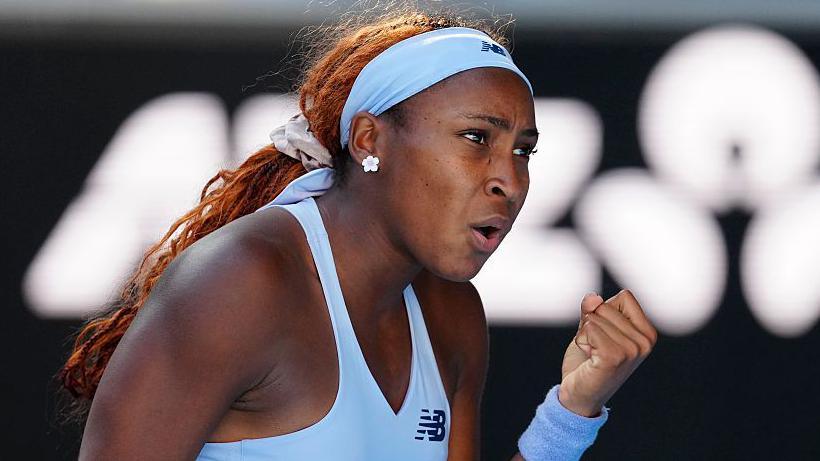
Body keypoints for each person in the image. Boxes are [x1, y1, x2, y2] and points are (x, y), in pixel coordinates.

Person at [59, 8, 657, 461]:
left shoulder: (451, 315)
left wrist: (572, 410)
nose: (511, 180)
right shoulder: (242, 284)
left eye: (523, 151)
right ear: (370, 140)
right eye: (477, 138)